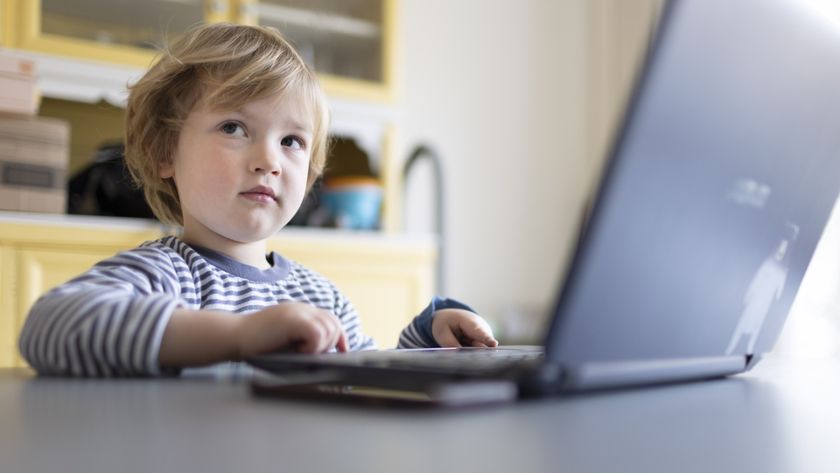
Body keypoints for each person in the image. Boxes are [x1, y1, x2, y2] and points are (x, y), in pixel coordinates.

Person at [18, 23, 497, 377]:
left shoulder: (321, 297)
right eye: (234, 128)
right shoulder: (166, 275)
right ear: (164, 153)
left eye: (291, 141)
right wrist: (240, 337)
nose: (269, 159)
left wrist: (430, 339)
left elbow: (364, 374)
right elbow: (48, 326)